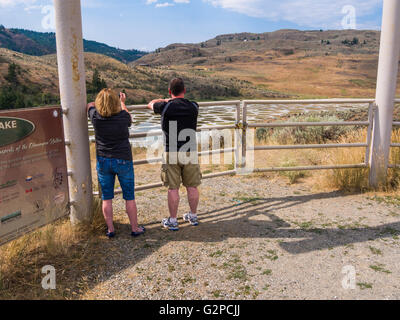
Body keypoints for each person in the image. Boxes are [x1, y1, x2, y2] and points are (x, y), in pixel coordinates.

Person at [87, 89, 145, 238]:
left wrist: (96, 103)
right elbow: (129, 118)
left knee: (107, 197)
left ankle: (111, 229)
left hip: (104, 160)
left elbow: (89, 105)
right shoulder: (123, 117)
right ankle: (134, 228)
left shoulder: (95, 117)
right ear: (116, 102)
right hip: (123, 159)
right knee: (129, 196)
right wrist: (122, 103)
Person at [147, 78, 201, 231]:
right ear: (184, 91)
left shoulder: (165, 106)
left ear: (170, 92)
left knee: (173, 188)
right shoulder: (193, 106)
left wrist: (165, 99)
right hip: (190, 151)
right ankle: (193, 215)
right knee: (192, 186)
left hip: (171, 151)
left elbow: (150, 104)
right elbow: (196, 104)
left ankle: (172, 220)